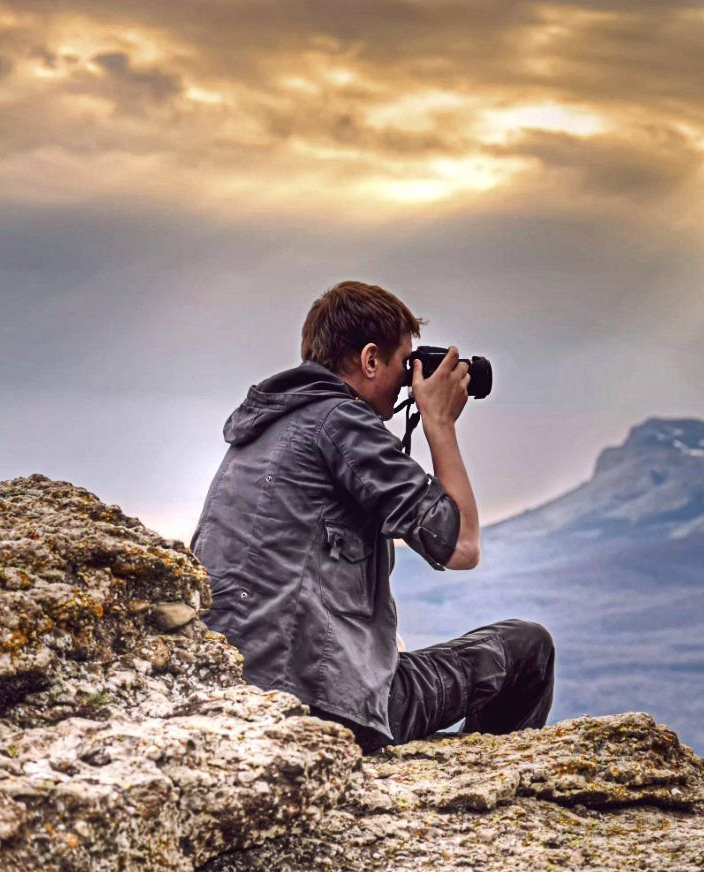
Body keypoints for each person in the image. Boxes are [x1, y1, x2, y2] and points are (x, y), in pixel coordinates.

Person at [189, 280, 554, 754]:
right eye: (405, 361)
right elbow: (462, 545)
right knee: (527, 648)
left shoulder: (262, 429)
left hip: (239, 694)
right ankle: (486, 792)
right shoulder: (340, 423)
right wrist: (439, 423)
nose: (410, 377)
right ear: (370, 360)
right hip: (320, 706)